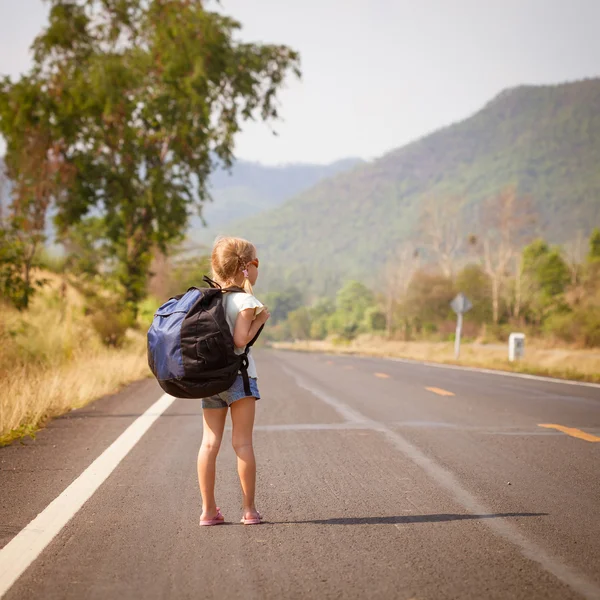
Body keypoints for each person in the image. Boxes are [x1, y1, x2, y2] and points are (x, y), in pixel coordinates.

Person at [198, 236, 270, 526]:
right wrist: (260, 319)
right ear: (246, 268)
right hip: (240, 379)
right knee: (242, 444)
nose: (257, 270)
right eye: (256, 264)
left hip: (211, 379)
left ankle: (208, 511)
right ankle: (249, 510)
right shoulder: (246, 301)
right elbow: (240, 340)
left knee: (208, 444)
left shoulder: (209, 299)